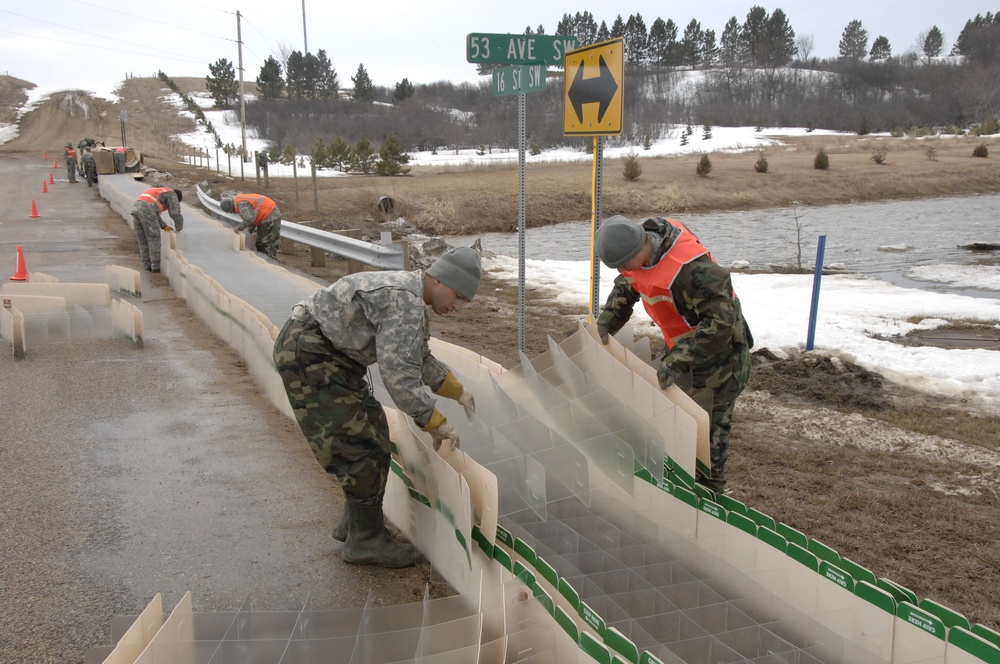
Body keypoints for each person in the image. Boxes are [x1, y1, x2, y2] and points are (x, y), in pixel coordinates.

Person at [272, 247, 482, 568]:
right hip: (312, 355)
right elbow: (399, 377)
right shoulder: (406, 303)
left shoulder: (410, 295)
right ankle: (366, 541)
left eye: (466, 302)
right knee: (357, 447)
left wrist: (456, 390)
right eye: (458, 296)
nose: (458, 306)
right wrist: (434, 420)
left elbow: (418, 357)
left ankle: (355, 524)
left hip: (331, 358)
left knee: (375, 432)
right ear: (439, 280)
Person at [595, 215, 753, 495]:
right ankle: (680, 479)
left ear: (639, 250)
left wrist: (678, 359)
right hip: (683, 348)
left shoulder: (695, 270)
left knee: (710, 429)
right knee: (678, 416)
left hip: (722, 358)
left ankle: (711, 492)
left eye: (623, 263)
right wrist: (604, 326)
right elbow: (626, 286)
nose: (621, 269)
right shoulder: (637, 258)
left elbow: (721, 323)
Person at [131, 187, 184, 272]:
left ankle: (147, 265)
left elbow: (154, 215)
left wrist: (164, 226)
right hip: (147, 210)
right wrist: (179, 228)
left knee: (143, 239)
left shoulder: (159, 192)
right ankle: (156, 266)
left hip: (136, 209)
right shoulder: (172, 194)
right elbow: (175, 212)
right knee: (154, 238)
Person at [220, 193, 281, 259]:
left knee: (267, 246)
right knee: (259, 244)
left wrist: (238, 228)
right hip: (264, 217)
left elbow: (249, 219)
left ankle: (270, 264)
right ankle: (263, 263)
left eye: (230, 211)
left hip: (270, 215)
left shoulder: (241, 204)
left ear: (231, 206)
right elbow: (252, 218)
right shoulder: (239, 201)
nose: (232, 213)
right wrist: (248, 232)